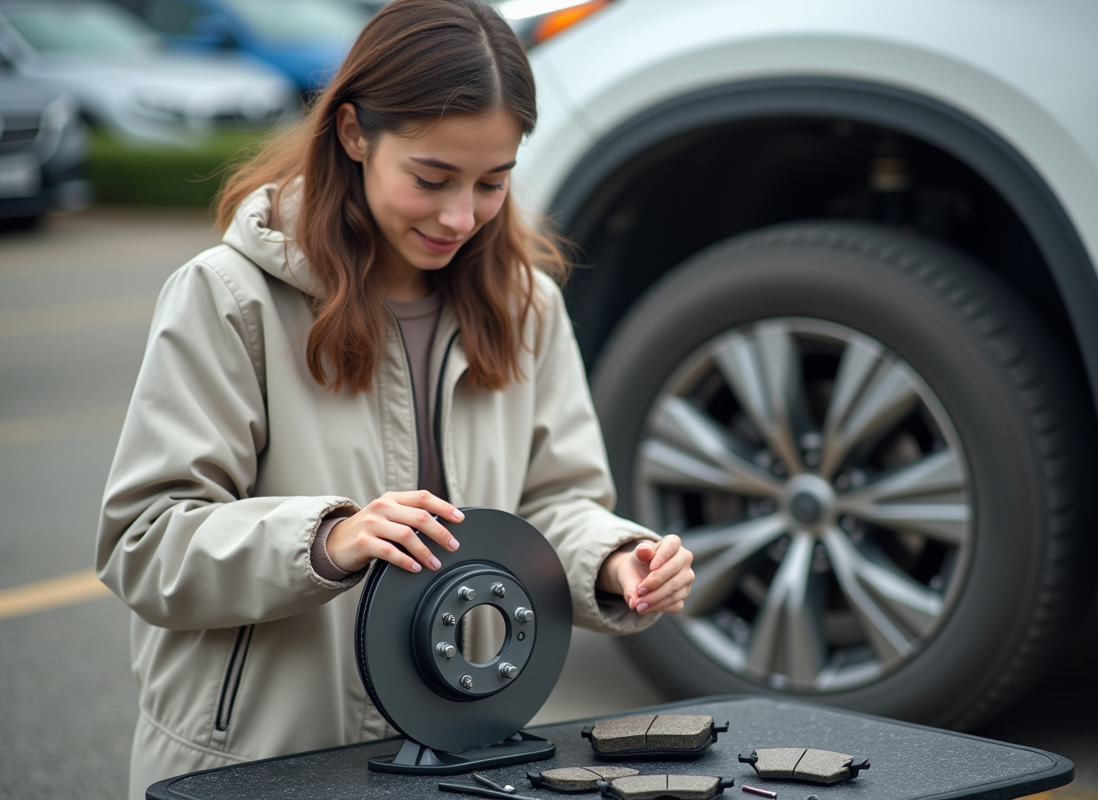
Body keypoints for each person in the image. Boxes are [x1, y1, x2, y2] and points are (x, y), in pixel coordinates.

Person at [94, 2, 695, 797]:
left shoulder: (528, 306)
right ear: (352, 133)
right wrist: (327, 540)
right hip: (257, 764)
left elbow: (554, 505)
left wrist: (617, 559)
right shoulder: (228, 295)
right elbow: (144, 541)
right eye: (432, 178)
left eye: (492, 183)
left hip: (459, 759)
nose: (460, 216)